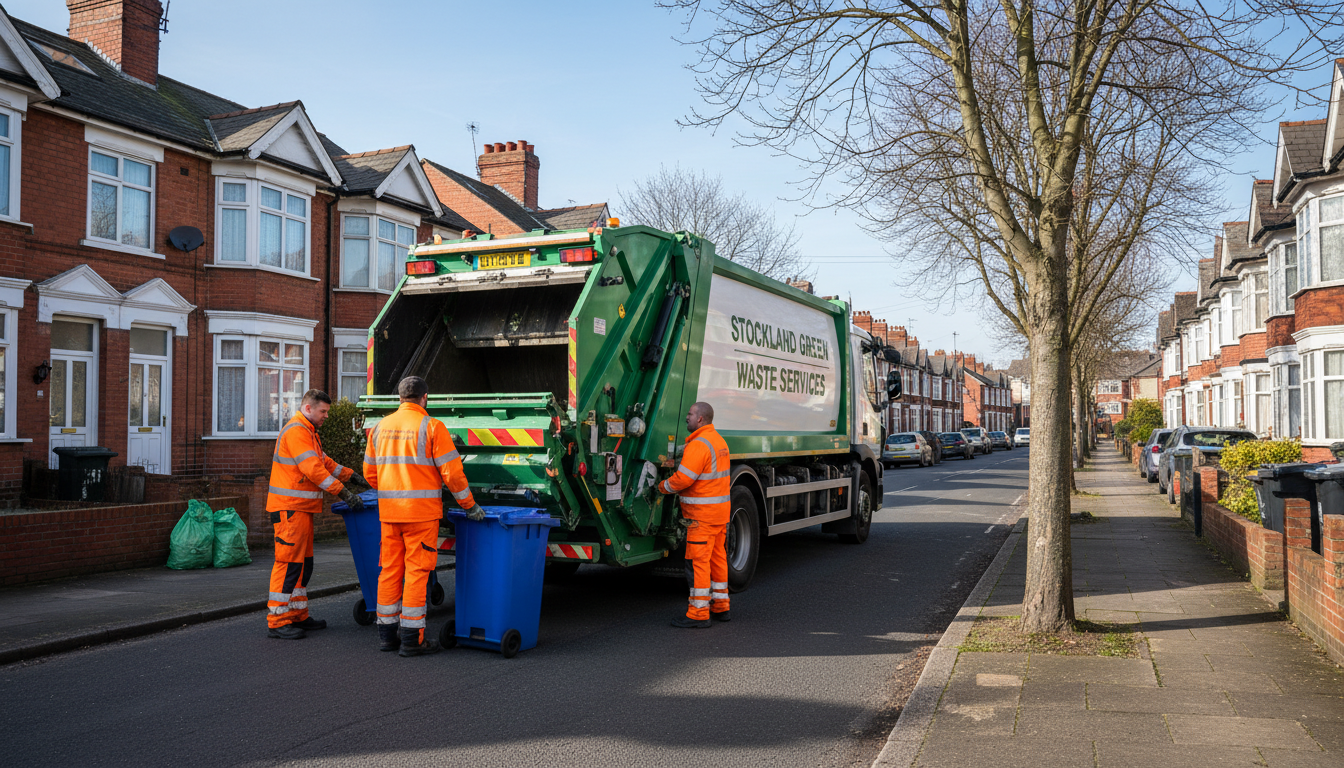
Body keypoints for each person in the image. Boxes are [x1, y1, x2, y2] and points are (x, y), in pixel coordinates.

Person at [364, 376, 484, 656]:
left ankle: (386, 635)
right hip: (420, 516)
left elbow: (371, 475)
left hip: (390, 514)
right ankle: (411, 639)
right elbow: (452, 473)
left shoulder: (379, 427)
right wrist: (469, 505)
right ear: (424, 398)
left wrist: (395, 487)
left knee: (390, 571)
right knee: (417, 572)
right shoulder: (431, 426)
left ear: (399, 398)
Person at [265, 389, 367, 640]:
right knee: (289, 564)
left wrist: (352, 476)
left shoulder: (308, 431)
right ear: (308, 408)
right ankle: (277, 621)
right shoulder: (297, 431)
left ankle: (297, 615)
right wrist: (344, 492)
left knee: (302, 566)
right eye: (323, 411)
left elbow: (325, 463)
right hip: (290, 509)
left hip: (298, 510)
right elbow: (313, 469)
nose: (326, 416)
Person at [657, 401, 732, 628]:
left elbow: (683, 479)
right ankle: (721, 606)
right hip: (719, 515)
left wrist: (662, 487)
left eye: (690, 414)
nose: (686, 417)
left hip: (701, 517)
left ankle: (699, 613)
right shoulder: (718, 441)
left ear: (700, 419)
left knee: (698, 563)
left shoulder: (699, 445)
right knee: (717, 559)